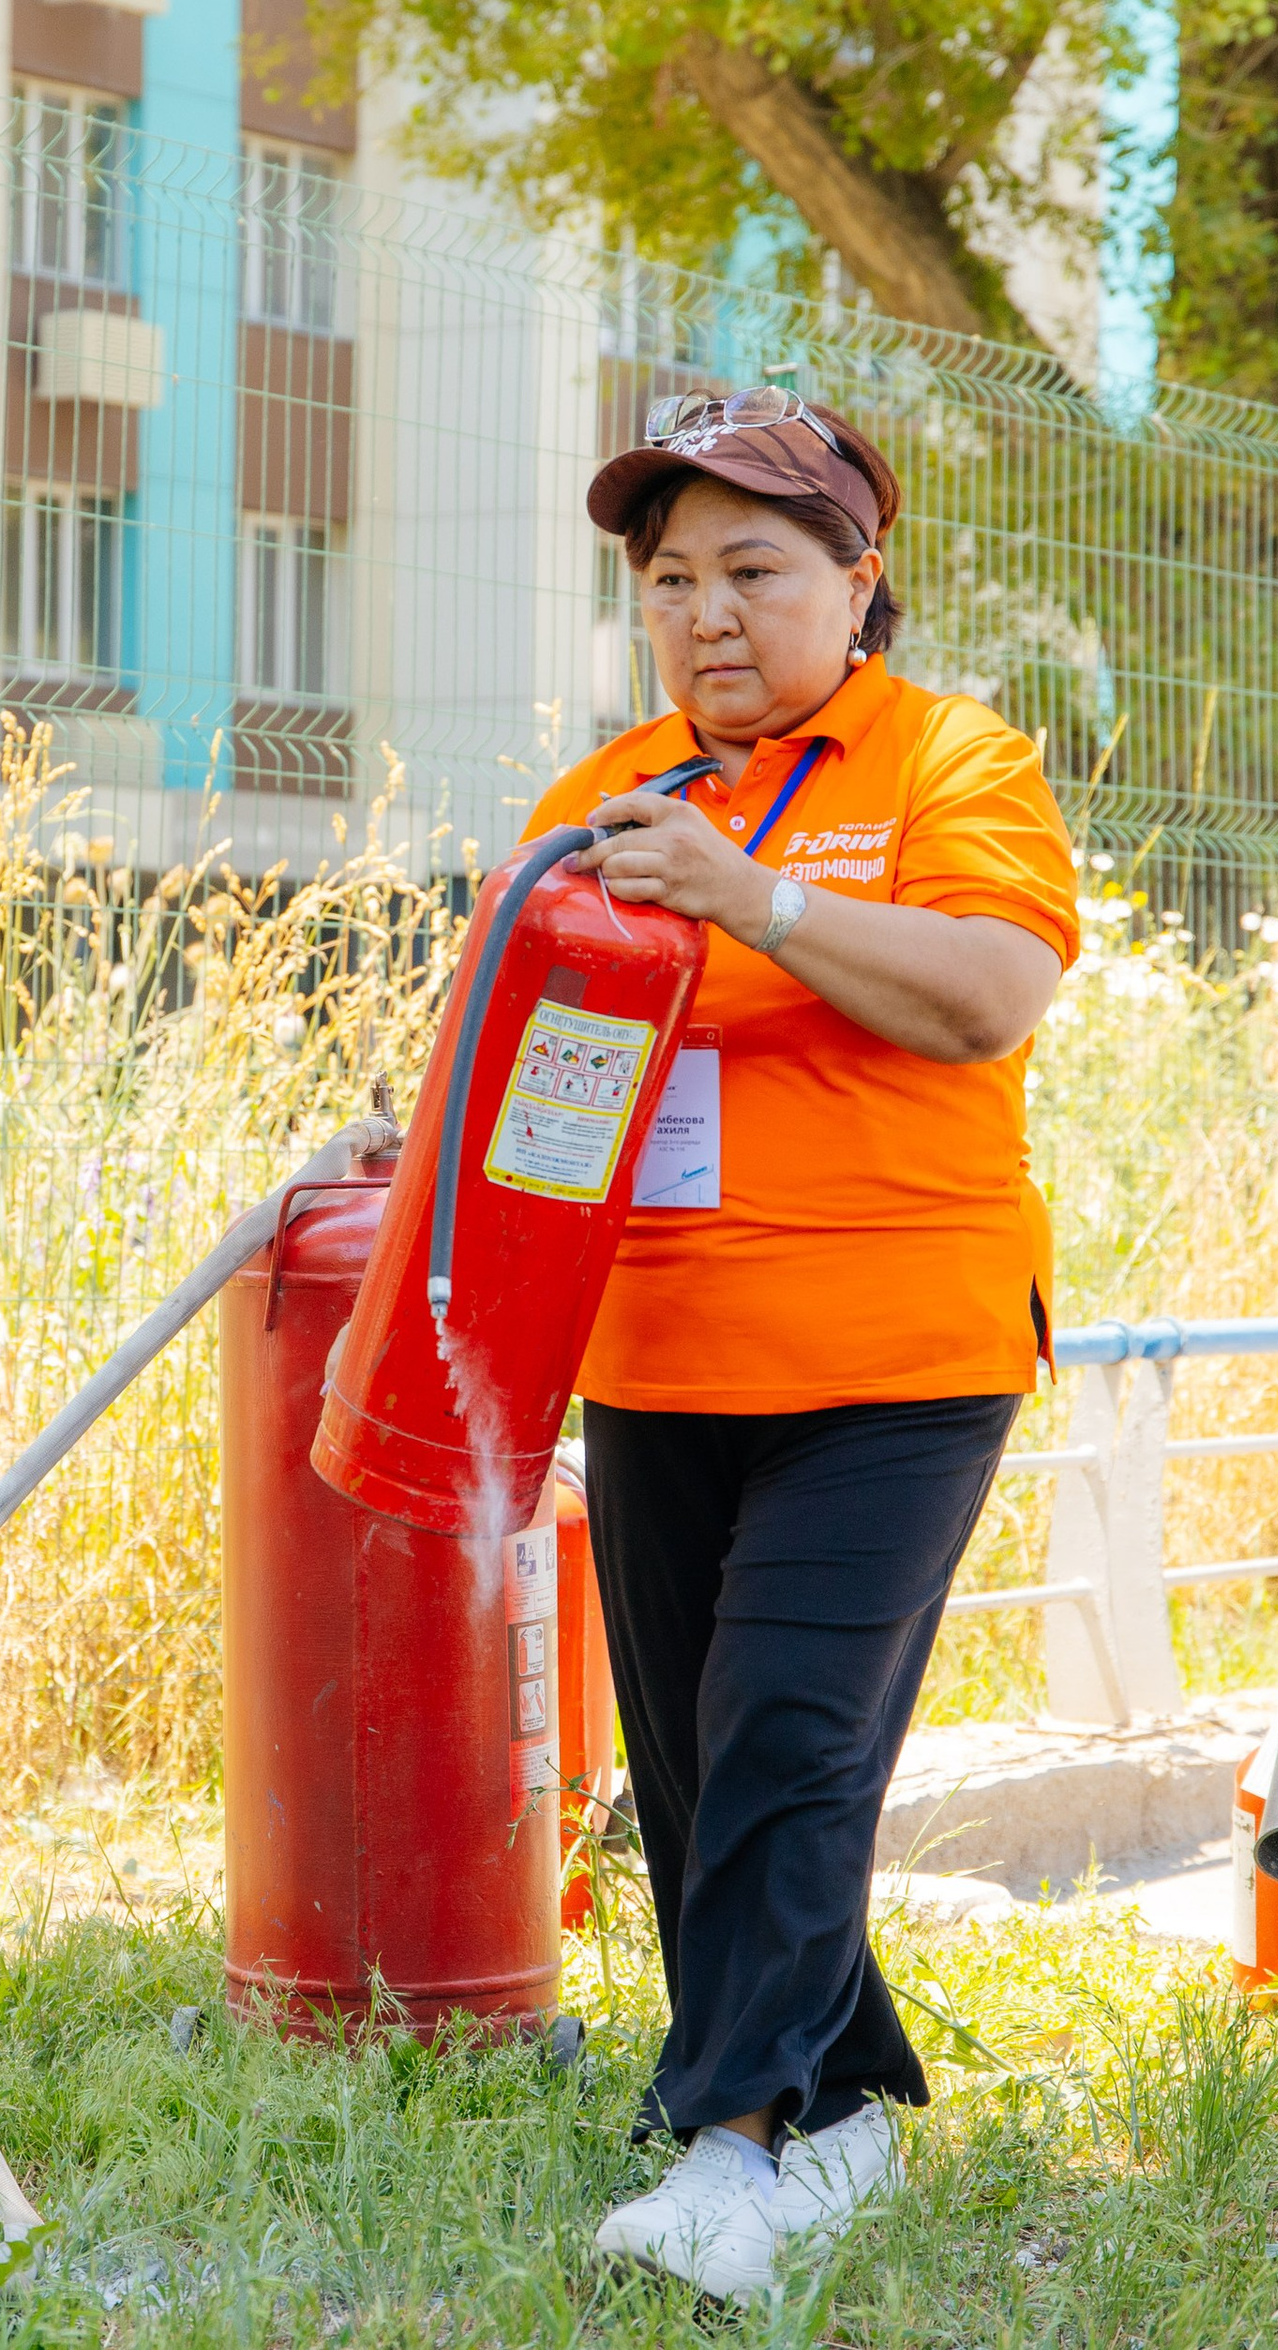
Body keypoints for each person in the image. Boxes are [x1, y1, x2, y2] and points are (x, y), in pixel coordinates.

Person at [522, 389, 1079, 2302]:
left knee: (785, 1727)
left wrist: (758, 900)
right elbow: (530, 1069)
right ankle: (841, 2111)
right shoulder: (599, 799)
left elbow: (992, 994)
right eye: (669, 580)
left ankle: (730, 2157)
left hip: (900, 1353)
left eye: (755, 569)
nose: (708, 615)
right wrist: (405, 1142)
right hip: (661, 1348)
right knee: (690, 1770)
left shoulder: (953, 765)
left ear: (861, 578)